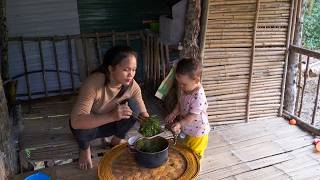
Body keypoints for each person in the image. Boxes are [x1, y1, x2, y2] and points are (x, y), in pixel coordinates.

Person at [70, 46, 149, 170]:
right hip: (90, 129)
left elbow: (143, 111)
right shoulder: (95, 82)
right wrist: (112, 116)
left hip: (110, 125)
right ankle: (84, 148)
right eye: (126, 70)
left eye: (134, 70)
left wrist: (149, 124)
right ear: (111, 68)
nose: (131, 74)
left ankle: (116, 140)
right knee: (81, 127)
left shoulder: (132, 85)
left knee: (134, 108)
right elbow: (76, 122)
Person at [165, 58, 210, 158]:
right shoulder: (186, 88)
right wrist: (173, 114)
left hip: (198, 133)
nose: (181, 86)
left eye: (184, 84)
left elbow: (192, 116)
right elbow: (180, 104)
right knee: (187, 151)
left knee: (194, 156)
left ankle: (195, 171)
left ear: (196, 80)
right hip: (189, 129)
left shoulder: (198, 96)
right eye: (179, 83)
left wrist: (180, 124)